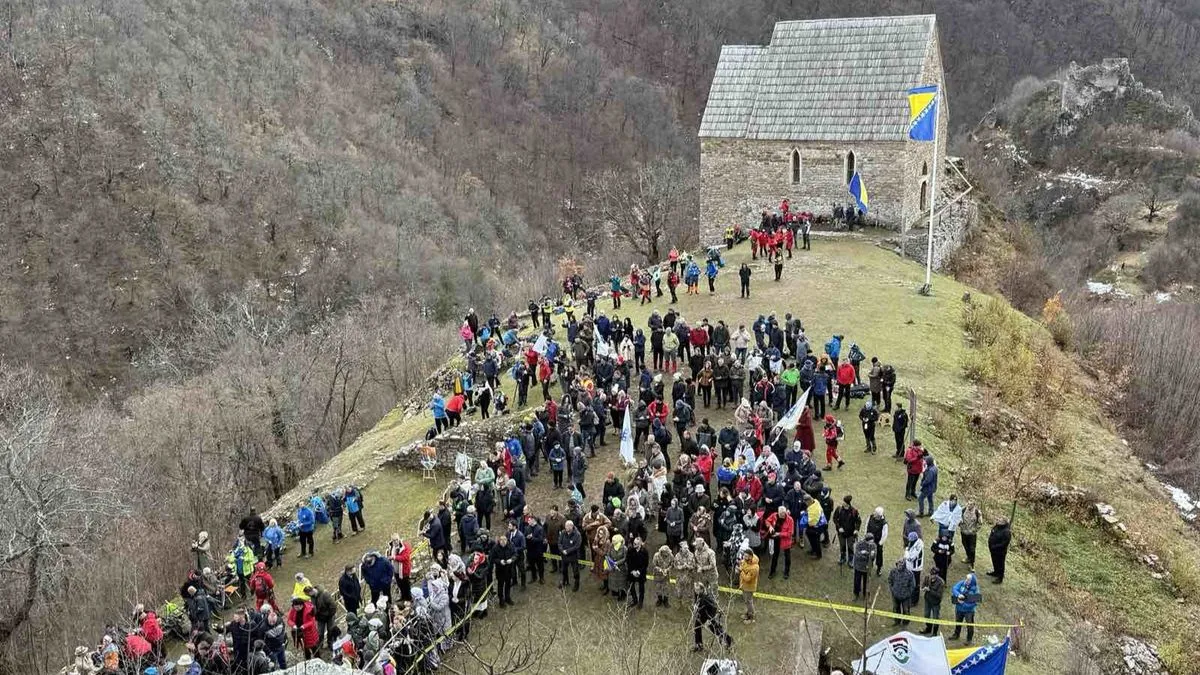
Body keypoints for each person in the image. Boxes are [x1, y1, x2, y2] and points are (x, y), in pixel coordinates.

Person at [691, 583, 733, 652]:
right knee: (697, 628)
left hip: (708, 615)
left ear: (702, 589)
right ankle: (699, 645)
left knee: (715, 630)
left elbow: (714, 607)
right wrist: (695, 605)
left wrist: (710, 619)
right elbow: (696, 601)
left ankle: (728, 639)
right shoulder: (697, 594)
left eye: (697, 590)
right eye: (695, 589)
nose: (696, 591)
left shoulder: (706, 598)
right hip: (701, 614)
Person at [762, 505, 794, 580]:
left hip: (786, 541)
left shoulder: (790, 520)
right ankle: (772, 571)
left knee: (787, 557)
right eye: (779, 514)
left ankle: (787, 571)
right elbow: (767, 521)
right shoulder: (774, 515)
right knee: (775, 556)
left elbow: (790, 533)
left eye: (782, 514)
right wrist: (769, 526)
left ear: (785, 513)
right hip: (776, 539)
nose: (781, 516)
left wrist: (779, 534)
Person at [950, 572, 981, 644]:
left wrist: (963, 603)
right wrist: (958, 595)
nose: (966, 581)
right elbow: (954, 588)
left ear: (972, 582)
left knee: (969, 625)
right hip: (959, 609)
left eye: (968, 580)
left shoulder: (976, 591)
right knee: (958, 622)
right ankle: (956, 634)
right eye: (966, 579)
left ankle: (969, 639)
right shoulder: (962, 583)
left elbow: (973, 604)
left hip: (969, 612)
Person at [832, 495, 861, 566]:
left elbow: (858, 521)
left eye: (844, 502)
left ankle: (851, 560)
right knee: (842, 546)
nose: (842, 503)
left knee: (850, 547)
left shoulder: (854, 511)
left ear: (847, 503)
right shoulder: (839, 509)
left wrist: (856, 529)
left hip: (851, 534)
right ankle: (843, 558)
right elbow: (835, 519)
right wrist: (839, 527)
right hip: (841, 534)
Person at [887, 559, 916, 626]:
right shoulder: (893, 571)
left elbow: (912, 585)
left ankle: (905, 622)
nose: (899, 566)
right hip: (895, 595)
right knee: (896, 608)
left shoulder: (909, 574)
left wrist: (908, 593)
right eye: (898, 565)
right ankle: (897, 621)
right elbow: (890, 580)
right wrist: (892, 589)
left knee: (906, 610)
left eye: (900, 565)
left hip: (905, 597)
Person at [493, 534, 517, 607]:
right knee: (500, 586)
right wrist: (500, 561)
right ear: (499, 541)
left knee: (508, 585)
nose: (503, 542)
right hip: (500, 570)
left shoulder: (511, 546)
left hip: (509, 569)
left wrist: (512, 559)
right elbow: (493, 558)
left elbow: (515, 554)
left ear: (507, 540)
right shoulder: (495, 548)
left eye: (504, 540)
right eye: (501, 540)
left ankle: (507, 598)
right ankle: (501, 600)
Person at [558, 520, 582, 592]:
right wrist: (562, 550)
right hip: (564, 556)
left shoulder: (577, 534)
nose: (566, 527)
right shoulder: (563, 532)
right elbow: (559, 543)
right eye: (565, 526)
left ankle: (576, 584)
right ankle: (565, 582)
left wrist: (567, 551)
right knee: (564, 570)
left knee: (575, 571)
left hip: (573, 556)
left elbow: (577, 546)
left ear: (571, 526)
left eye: (567, 526)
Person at [851, 533, 876, 601]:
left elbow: (873, 557)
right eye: (870, 541)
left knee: (866, 582)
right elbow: (857, 555)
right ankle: (856, 594)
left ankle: (866, 594)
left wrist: (872, 555)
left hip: (867, 568)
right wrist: (866, 554)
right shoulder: (860, 544)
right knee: (857, 581)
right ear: (866, 540)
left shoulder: (873, 545)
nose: (871, 543)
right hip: (859, 567)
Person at [920, 569, 946, 636]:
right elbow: (923, 586)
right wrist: (923, 588)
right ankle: (928, 628)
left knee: (935, 618)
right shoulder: (927, 578)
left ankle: (934, 632)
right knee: (926, 615)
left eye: (933, 575)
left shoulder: (941, 582)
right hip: (927, 600)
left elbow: (939, 595)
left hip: (935, 603)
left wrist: (929, 590)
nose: (932, 576)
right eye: (931, 574)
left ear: (937, 575)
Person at [866, 506, 889, 577]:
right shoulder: (870, 517)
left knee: (879, 556)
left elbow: (885, 534)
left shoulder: (884, 523)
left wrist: (880, 543)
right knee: (869, 554)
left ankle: (879, 568)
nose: (874, 514)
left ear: (879, 515)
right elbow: (866, 526)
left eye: (875, 513)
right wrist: (866, 536)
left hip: (878, 542)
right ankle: (869, 567)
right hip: (869, 540)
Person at [987, 517, 1012, 584]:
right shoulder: (996, 527)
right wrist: (990, 542)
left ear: (1004, 522)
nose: (998, 520)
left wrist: (995, 546)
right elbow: (992, 533)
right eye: (998, 520)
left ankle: (1000, 578)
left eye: (1000, 520)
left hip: (1000, 551)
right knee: (994, 561)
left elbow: (1004, 543)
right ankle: (995, 572)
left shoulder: (1007, 531)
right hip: (993, 549)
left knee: (1000, 564)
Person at [626, 536, 649, 608]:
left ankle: (640, 602)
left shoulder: (645, 552)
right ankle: (635, 600)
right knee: (631, 587)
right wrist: (632, 571)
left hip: (641, 573)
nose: (634, 545)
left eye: (636, 544)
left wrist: (639, 572)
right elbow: (628, 561)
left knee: (641, 588)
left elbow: (645, 564)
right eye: (633, 543)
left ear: (640, 544)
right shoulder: (630, 550)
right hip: (632, 571)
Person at [737, 547, 759, 623]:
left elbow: (747, 579)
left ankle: (751, 617)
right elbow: (742, 565)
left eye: (746, 556)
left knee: (749, 601)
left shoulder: (755, 567)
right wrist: (740, 566)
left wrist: (741, 571)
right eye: (744, 556)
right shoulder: (746, 561)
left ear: (750, 556)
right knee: (746, 601)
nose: (744, 558)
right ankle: (747, 613)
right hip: (743, 585)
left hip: (749, 587)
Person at [959, 501, 983, 566]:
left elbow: (980, 523)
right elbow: (958, 517)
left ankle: (972, 563)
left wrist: (974, 530)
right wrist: (960, 524)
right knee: (965, 546)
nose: (969, 505)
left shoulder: (977, 512)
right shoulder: (963, 509)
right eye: (968, 503)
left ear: (974, 505)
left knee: (972, 549)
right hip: (963, 532)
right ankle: (968, 558)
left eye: (971, 504)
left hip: (972, 534)